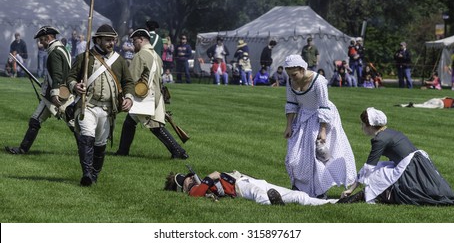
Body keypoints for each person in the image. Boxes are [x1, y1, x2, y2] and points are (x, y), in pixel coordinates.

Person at [339, 108, 454, 205]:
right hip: (418, 163)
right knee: (381, 168)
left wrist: (351, 189)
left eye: (363, 124)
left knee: (379, 174)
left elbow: (369, 167)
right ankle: (375, 193)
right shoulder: (390, 132)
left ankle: (371, 194)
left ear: (370, 125)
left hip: (411, 168)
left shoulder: (379, 139)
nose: (361, 127)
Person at [67, 24, 135, 186]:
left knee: (100, 144)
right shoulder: (85, 57)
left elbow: (128, 82)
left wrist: (129, 97)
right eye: (108, 40)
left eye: (113, 40)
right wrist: (75, 86)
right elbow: (70, 77)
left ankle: (94, 174)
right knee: (86, 137)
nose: (111, 43)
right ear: (98, 39)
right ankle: (87, 174)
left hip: (107, 109)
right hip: (87, 105)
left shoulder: (119, 60)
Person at [283, 55, 356, 198]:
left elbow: (324, 106)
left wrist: (323, 130)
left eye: (294, 74)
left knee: (318, 156)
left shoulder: (318, 81)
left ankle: (320, 190)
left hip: (322, 118)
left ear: (302, 69)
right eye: (289, 74)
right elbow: (291, 103)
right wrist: (289, 126)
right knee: (295, 154)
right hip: (304, 116)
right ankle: (300, 186)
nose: (292, 77)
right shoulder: (290, 80)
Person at [115, 29, 188, 159]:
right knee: (130, 122)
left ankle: (178, 151)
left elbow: (131, 78)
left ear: (141, 39)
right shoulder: (156, 55)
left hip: (145, 97)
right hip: (155, 95)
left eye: (135, 41)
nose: (133, 44)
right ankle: (122, 151)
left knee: (155, 126)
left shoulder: (141, 55)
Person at [5, 26, 73, 155]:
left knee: (73, 125)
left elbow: (57, 75)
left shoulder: (54, 52)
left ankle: (89, 151)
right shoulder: (61, 49)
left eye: (42, 40)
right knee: (35, 120)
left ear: (48, 38)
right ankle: (22, 149)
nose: (40, 43)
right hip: (60, 92)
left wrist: (54, 93)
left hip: (57, 95)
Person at [165, 169, 337, 206]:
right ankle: (273, 203)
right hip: (239, 187)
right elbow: (196, 194)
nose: (189, 179)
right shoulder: (194, 191)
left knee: (297, 196)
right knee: (259, 195)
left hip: (244, 179)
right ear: (183, 187)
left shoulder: (199, 186)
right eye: (186, 180)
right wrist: (209, 178)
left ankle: (334, 202)